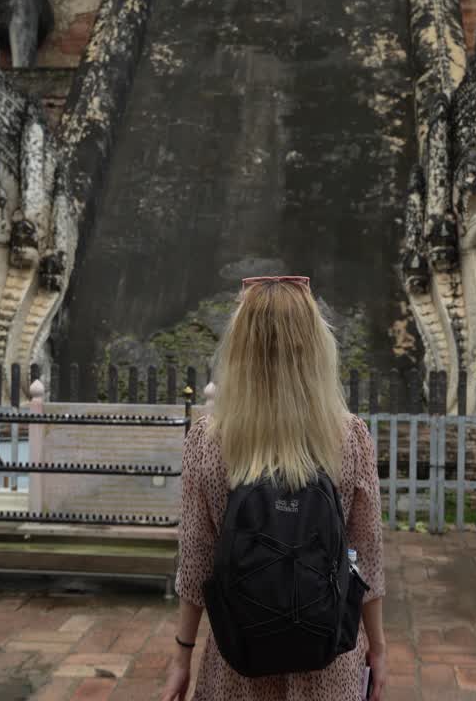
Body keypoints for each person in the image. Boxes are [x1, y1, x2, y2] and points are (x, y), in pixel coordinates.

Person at [160, 275, 387, 701]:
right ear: (316, 348)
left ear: (240, 349)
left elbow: (196, 564)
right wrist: (378, 647)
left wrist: (181, 658)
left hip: (238, 664)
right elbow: (367, 556)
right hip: (330, 664)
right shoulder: (350, 436)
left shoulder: (208, 439)